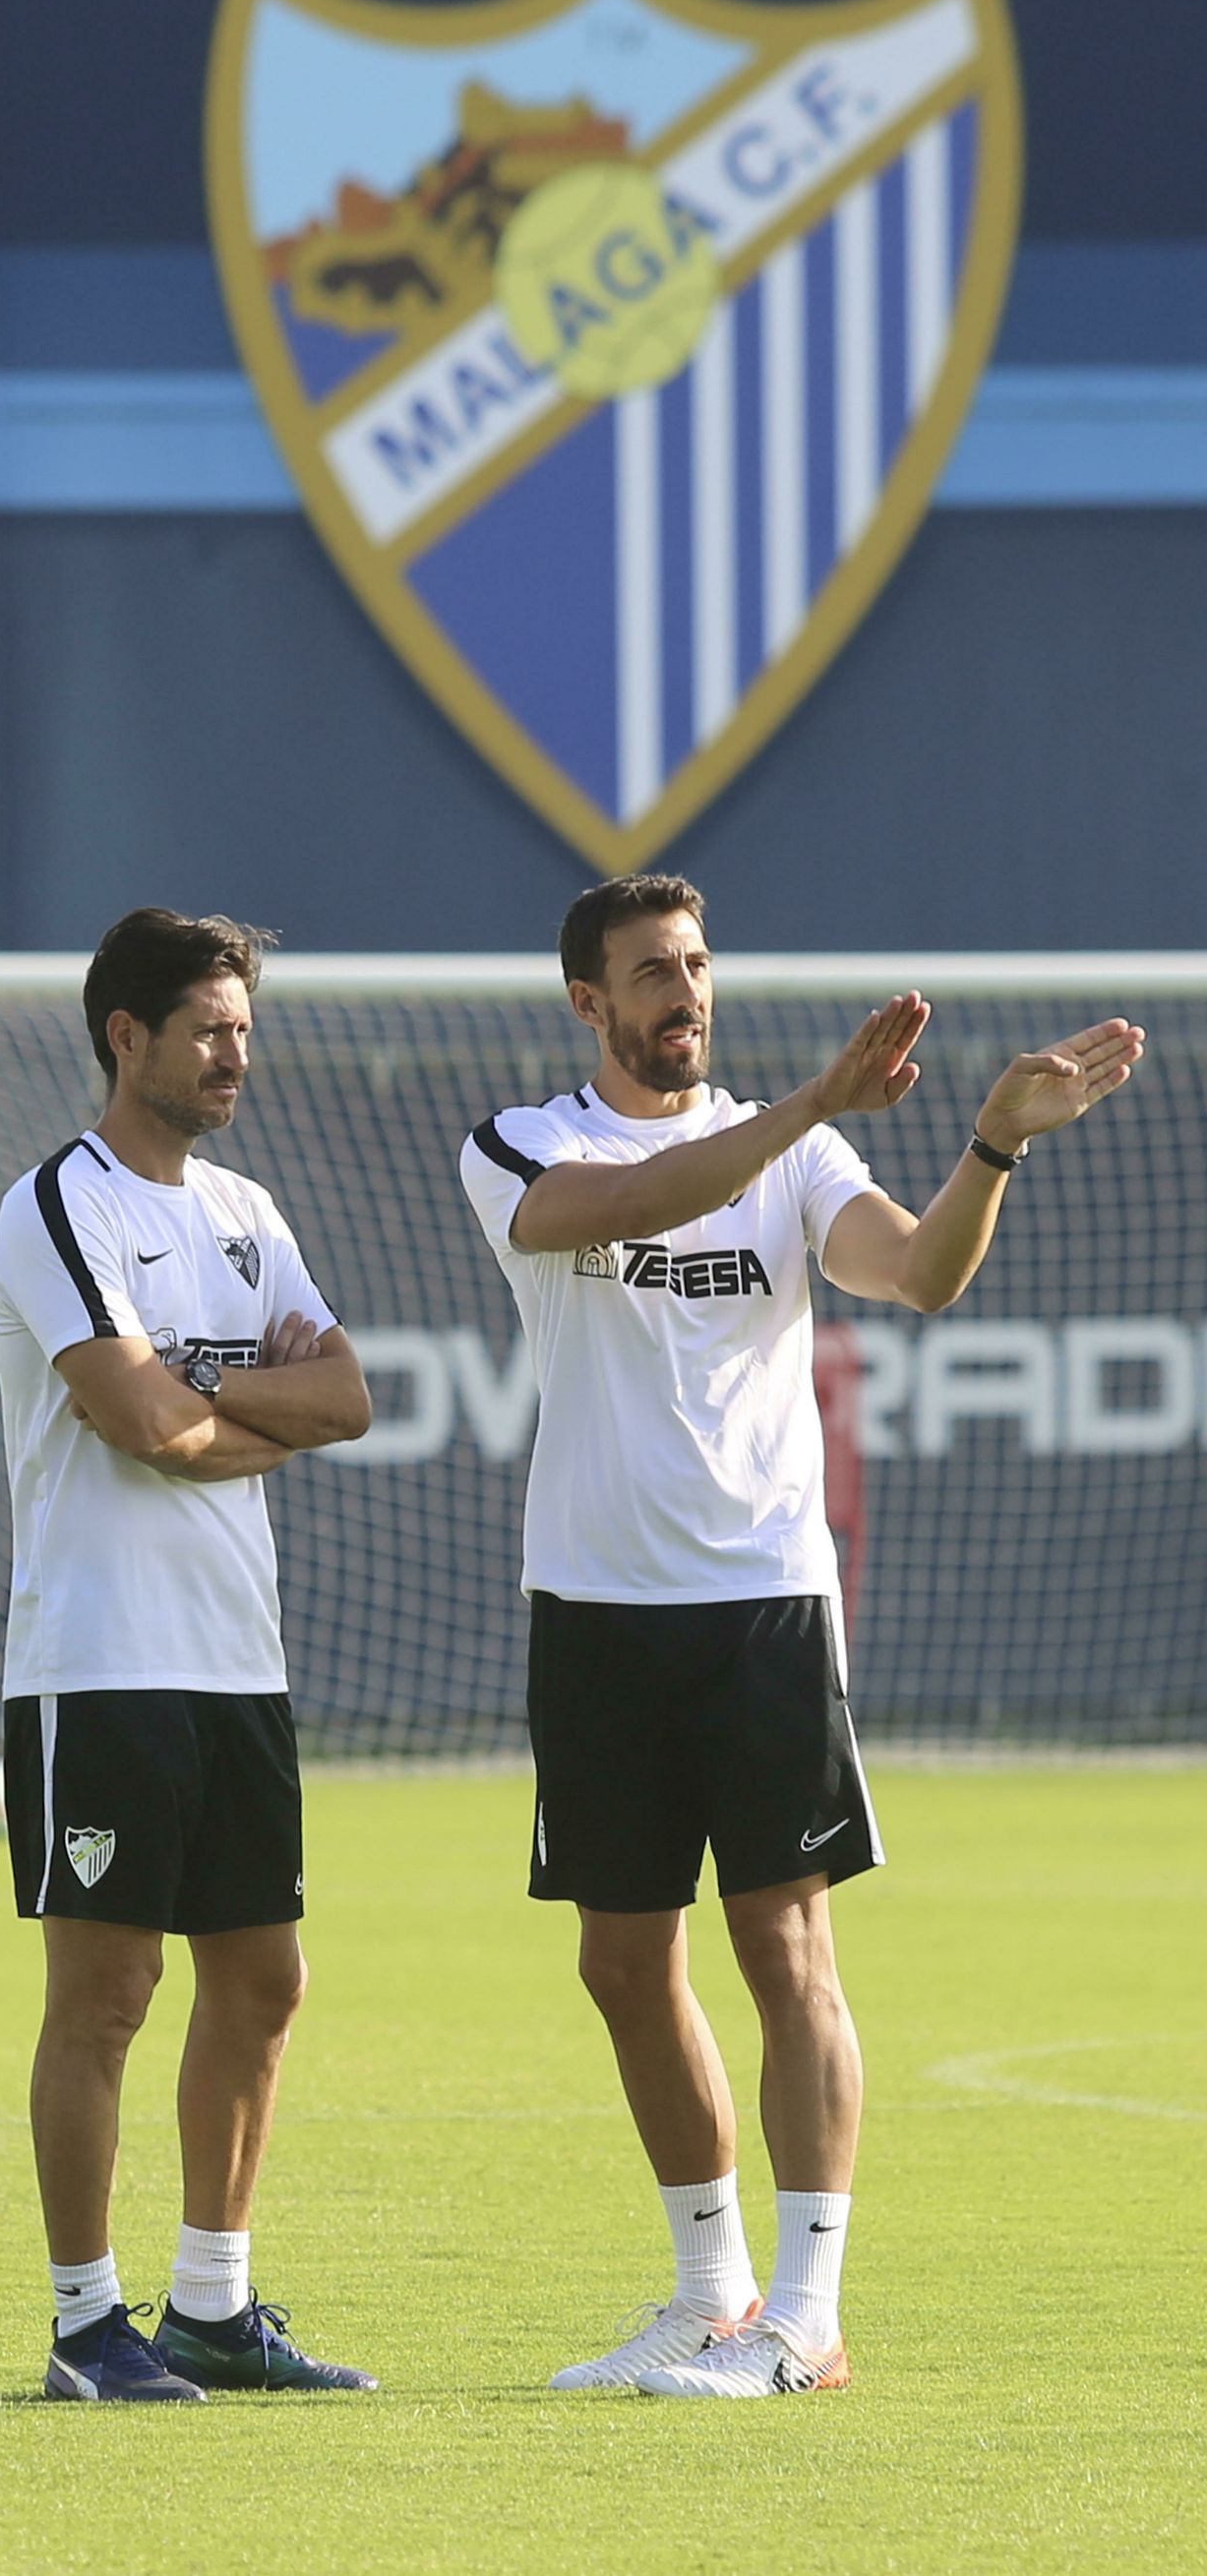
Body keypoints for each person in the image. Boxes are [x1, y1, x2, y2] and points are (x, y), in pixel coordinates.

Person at [458, 872, 1143, 2401]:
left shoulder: (803, 1151)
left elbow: (918, 1274)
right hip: (592, 1613)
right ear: (590, 1003)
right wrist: (816, 1099)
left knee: (785, 1943)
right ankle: (712, 2298)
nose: (682, 993)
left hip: (761, 1603)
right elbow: (633, 1205)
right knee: (624, 1963)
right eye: (650, 973)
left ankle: (809, 2317)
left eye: (696, 964)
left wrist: (989, 1149)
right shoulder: (526, 1145)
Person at [0, 906, 379, 2404]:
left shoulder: (248, 1211)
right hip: (98, 1663)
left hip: (237, 1662)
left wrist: (207, 1418)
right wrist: (235, 1416)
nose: (234, 1052)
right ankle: (87, 2330)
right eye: (209, 1028)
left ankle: (212, 2307)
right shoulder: (57, 1206)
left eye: (244, 1029)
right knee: (104, 1996)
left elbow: (346, 1396)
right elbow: (136, 1421)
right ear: (125, 1037)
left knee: (265, 1981)